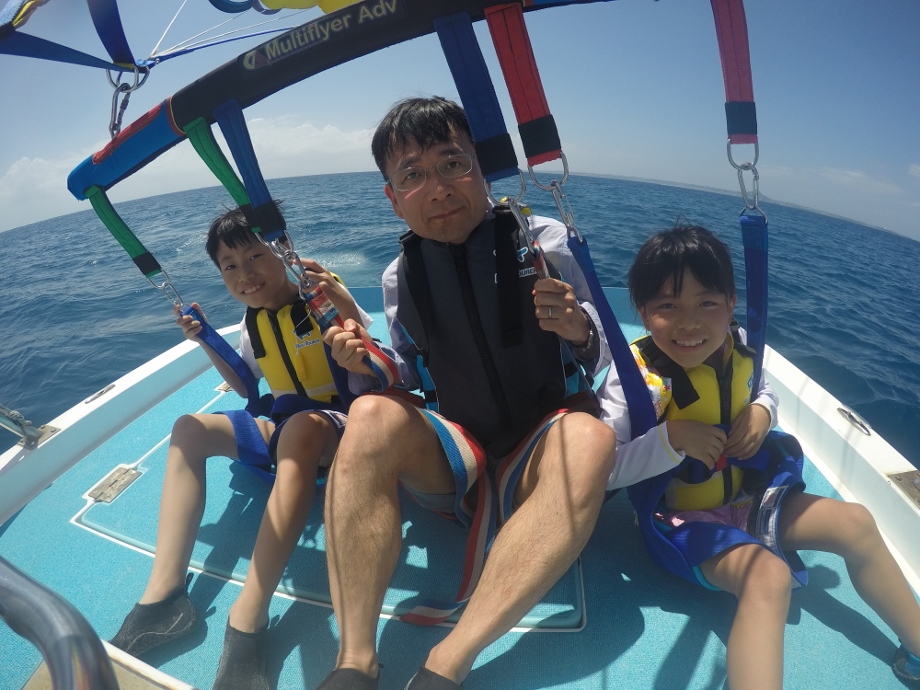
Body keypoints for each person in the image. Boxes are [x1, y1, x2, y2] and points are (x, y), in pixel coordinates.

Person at [315, 96, 617, 690]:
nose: (438, 188)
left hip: (540, 452)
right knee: (369, 413)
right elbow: (406, 375)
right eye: (412, 175)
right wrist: (363, 365)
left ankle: (446, 664)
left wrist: (578, 328)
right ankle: (354, 663)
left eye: (452, 164)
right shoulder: (400, 277)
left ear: (481, 169)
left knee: (591, 437)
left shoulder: (546, 241)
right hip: (461, 460)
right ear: (393, 197)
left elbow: (607, 352)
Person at [597, 224, 920, 690]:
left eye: (707, 303)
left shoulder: (741, 343)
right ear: (644, 314)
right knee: (768, 576)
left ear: (730, 305)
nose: (689, 323)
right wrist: (672, 439)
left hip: (749, 501)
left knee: (856, 522)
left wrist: (762, 412)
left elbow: (761, 386)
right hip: (679, 523)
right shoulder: (634, 380)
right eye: (668, 306)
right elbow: (605, 471)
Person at [109, 208, 382, 690]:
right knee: (189, 428)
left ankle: (248, 616)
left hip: (345, 427)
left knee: (298, 428)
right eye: (229, 265)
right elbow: (245, 385)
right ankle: (164, 597)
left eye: (255, 256)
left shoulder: (321, 298)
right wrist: (205, 340)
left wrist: (338, 302)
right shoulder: (251, 323)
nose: (244, 273)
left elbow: (371, 361)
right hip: (290, 428)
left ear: (283, 254)